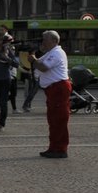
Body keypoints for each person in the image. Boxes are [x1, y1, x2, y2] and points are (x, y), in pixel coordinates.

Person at [35, 29, 71, 159]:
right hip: (53, 89)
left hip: (58, 88)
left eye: (45, 40)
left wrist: (33, 60)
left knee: (59, 119)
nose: (43, 42)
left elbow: (44, 67)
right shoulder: (51, 52)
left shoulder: (57, 53)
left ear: (54, 41)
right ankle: (54, 147)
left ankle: (60, 149)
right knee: (53, 119)